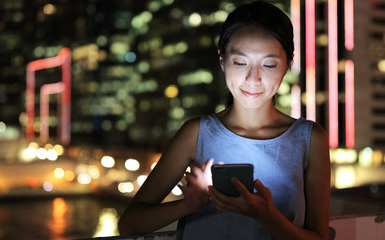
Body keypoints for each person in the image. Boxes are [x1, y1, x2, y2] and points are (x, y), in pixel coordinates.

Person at [118, 1, 330, 239]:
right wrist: (189, 205)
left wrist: (267, 215)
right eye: (240, 62)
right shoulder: (196, 133)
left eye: (269, 64)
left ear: (288, 64)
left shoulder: (309, 139)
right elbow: (129, 225)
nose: (253, 78)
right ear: (222, 60)